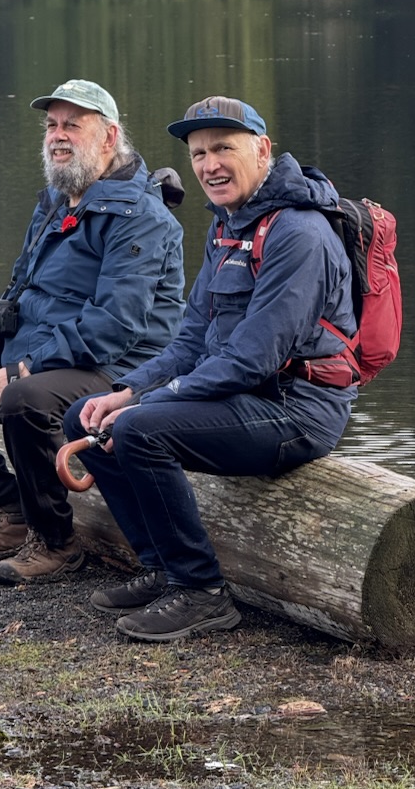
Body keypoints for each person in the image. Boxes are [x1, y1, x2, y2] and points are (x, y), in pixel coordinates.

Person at [63, 95, 358, 642]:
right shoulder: (228, 226)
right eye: (198, 154)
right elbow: (190, 342)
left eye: (223, 148)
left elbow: (252, 359)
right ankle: (160, 568)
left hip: (295, 411)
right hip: (242, 397)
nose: (208, 165)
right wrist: (127, 391)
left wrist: (145, 406)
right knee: (86, 415)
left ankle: (201, 591)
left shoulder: (299, 233)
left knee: (139, 430)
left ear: (263, 150)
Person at [0, 79, 185, 583]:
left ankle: (56, 542)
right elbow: (12, 300)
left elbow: (114, 325)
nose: (58, 135)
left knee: (25, 398)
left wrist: (20, 369)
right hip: (49, 356)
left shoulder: (143, 216)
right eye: (52, 125)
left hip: (120, 366)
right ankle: (9, 511)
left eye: (73, 125)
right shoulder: (56, 203)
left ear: (108, 136)